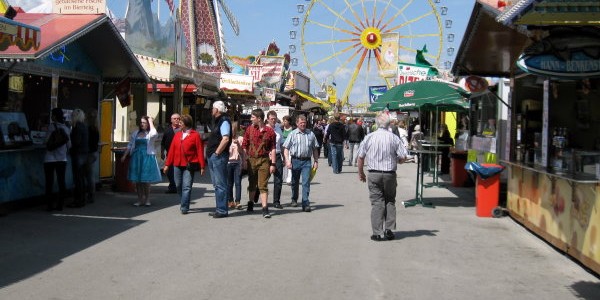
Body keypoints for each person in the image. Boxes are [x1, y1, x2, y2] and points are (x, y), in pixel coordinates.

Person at [357, 113, 408, 242]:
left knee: (377, 202)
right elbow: (403, 157)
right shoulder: (394, 138)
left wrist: (360, 173)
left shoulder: (369, 137)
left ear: (377, 124)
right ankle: (389, 230)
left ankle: (377, 233)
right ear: (389, 124)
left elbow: (360, 157)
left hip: (374, 173)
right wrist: (396, 160)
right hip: (390, 174)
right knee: (390, 200)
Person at [163, 114, 206, 214]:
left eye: (181, 122)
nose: (179, 123)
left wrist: (202, 166)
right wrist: (167, 165)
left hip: (189, 165)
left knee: (186, 186)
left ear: (186, 124)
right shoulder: (177, 135)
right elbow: (172, 151)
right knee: (178, 185)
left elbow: (200, 151)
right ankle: (185, 200)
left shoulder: (195, 135)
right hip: (177, 164)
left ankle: (184, 207)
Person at [242, 108, 276, 218]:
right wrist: (244, 160)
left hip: (264, 160)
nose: (251, 119)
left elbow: (273, 148)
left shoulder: (270, 131)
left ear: (259, 118)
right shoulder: (249, 129)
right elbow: (244, 146)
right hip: (251, 160)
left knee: (263, 185)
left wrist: (273, 164)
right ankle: (251, 202)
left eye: (252, 117)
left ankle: (265, 208)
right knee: (252, 184)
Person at [121, 116, 162, 207]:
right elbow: (130, 144)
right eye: (141, 122)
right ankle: (140, 199)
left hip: (147, 158)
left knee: (146, 181)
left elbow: (154, 133)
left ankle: (147, 199)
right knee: (138, 181)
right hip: (136, 158)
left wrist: (151, 122)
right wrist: (124, 155)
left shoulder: (150, 133)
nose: (142, 124)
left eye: (144, 123)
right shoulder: (136, 133)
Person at [283, 114, 319, 212]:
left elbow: (315, 148)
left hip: (307, 161)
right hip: (295, 161)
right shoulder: (292, 134)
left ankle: (305, 203)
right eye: (301, 123)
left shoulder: (311, 134)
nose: (303, 124)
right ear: (297, 123)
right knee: (294, 182)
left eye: (304, 123)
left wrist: (316, 161)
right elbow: (286, 148)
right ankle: (294, 199)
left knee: (306, 182)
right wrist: (287, 160)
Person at [206, 100, 232, 218]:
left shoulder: (224, 121)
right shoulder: (218, 121)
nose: (211, 110)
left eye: (213, 108)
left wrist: (217, 153)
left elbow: (225, 138)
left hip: (219, 157)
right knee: (217, 184)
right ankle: (219, 208)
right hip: (215, 156)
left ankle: (222, 210)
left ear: (217, 110)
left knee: (220, 184)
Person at [44, 107, 71, 211]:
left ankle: (49, 205)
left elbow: (46, 141)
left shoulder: (51, 127)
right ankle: (60, 204)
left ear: (54, 116)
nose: (51, 117)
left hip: (49, 158)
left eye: (52, 115)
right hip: (62, 159)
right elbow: (69, 145)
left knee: (49, 182)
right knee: (61, 181)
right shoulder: (66, 128)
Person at [67, 109, 89, 208]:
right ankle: (82, 199)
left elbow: (76, 142)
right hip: (84, 154)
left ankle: (78, 200)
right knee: (81, 178)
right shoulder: (84, 126)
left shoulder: (77, 128)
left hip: (78, 154)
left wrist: (71, 148)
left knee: (77, 178)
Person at [266, 110, 284, 209]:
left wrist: (284, 158)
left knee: (278, 179)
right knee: (264, 179)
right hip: (266, 156)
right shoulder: (265, 128)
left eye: (275, 118)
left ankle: (276, 201)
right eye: (271, 119)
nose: (273, 120)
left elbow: (281, 144)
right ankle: (256, 192)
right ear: (268, 119)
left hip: (277, 155)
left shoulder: (278, 128)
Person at [161, 113, 181, 194]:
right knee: (170, 172)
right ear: (171, 120)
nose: (176, 120)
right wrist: (162, 152)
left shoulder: (183, 130)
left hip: (181, 154)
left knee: (179, 171)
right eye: (174, 118)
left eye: (178, 118)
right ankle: (172, 187)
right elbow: (163, 143)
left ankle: (179, 186)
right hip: (170, 154)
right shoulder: (167, 130)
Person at [227, 121, 244, 210]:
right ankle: (230, 201)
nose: (232, 133)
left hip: (238, 163)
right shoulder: (226, 139)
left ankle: (238, 201)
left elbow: (242, 152)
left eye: (233, 131)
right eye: (231, 131)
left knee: (238, 183)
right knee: (229, 183)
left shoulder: (240, 139)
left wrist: (238, 144)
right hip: (228, 163)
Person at [84, 109, 100, 203]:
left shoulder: (89, 129)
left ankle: (90, 195)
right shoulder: (96, 128)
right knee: (91, 175)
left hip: (89, 153)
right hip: (94, 153)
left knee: (88, 176)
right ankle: (91, 194)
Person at [281, 115, 294, 184]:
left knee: (289, 162)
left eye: (285, 121)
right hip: (282, 148)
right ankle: (283, 177)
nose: (284, 122)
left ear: (289, 122)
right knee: (283, 163)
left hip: (290, 148)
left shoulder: (293, 129)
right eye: (283, 121)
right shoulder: (281, 128)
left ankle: (289, 178)